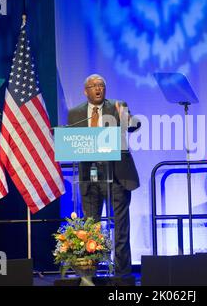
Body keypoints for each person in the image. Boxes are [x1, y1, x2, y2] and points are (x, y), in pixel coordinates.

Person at [67, 74, 140, 277]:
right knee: (91, 228)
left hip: (117, 176)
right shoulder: (75, 114)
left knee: (121, 227)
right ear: (85, 90)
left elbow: (133, 125)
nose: (98, 88)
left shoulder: (117, 106)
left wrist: (125, 117)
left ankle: (122, 273)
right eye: (93, 86)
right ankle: (90, 272)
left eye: (101, 85)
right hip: (89, 178)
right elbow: (72, 143)